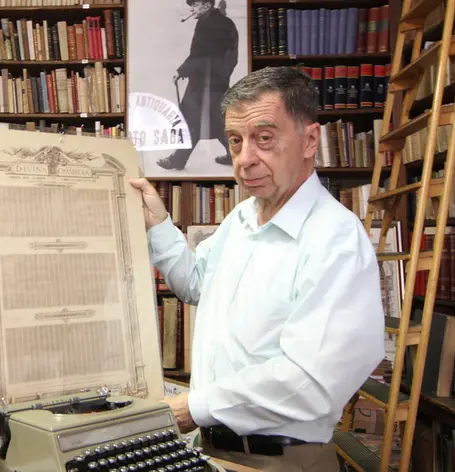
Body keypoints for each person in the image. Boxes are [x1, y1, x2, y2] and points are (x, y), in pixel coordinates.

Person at [131, 66, 385, 471]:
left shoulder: (335, 239)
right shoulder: (242, 218)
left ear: (309, 140)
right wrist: (159, 224)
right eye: (236, 141)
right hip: (213, 449)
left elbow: (310, 381)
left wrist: (193, 407)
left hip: (281, 460)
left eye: (264, 139)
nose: (245, 159)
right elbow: (197, 285)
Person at [157, 0, 238, 170]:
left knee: (193, 120)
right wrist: (222, 75)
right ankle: (234, 155)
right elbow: (229, 57)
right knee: (218, 121)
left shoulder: (206, 24)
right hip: (217, 81)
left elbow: (198, 55)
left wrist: (182, 71)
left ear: (206, 6)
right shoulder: (225, 22)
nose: (192, 9)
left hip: (203, 82)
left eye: (194, 5)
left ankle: (178, 160)